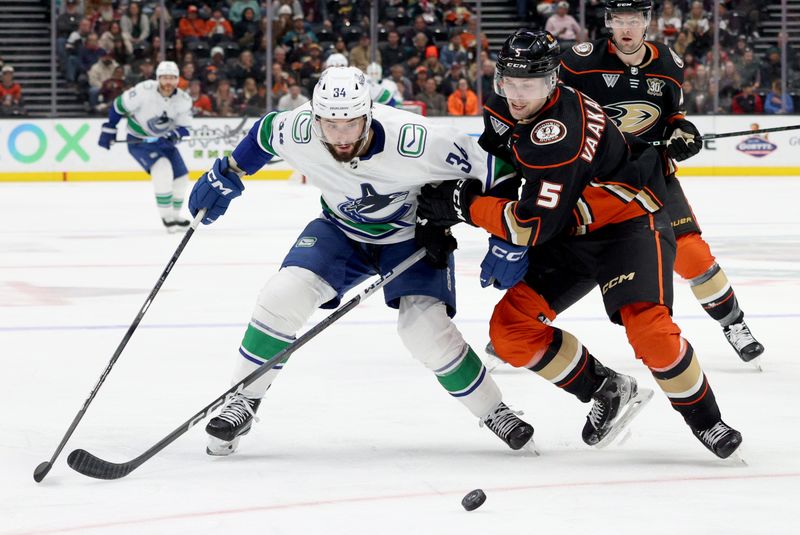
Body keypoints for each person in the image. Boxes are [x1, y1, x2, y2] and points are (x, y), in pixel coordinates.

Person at [418, 30, 743, 460]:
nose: (515, 96)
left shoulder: (558, 136)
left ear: (552, 81)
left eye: (528, 85)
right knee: (510, 332)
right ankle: (607, 388)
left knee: (650, 331)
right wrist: (449, 206)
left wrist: (466, 206)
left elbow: (528, 225)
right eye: (508, 82)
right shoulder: (506, 108)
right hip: (571, 231)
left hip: (626, 226)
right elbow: (499, 168)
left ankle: (708, 422)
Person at [187, 67, 535, 456]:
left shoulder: (417, 140)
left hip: (410, 238)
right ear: (315, 117)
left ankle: (494, 410)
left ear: (368, 114)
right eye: (329, 125)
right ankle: (244, 399)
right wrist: (229, 173)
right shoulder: (300, 129)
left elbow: (497, 171)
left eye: (350, 124)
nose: (340, 137)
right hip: (340, 232)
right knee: (282, 295)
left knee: (424, 331)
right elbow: (265, 133)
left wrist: (508, 233)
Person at [556, 0, 764, 365]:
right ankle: (525, 324)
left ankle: (734, 323)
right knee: (576, 260)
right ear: (608, 22)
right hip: (597, 181)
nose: (626, 28)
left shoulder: (668, 63)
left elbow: (672, 116)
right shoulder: (578, 62)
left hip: (652, 175)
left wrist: (682, 130)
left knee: (692, 252)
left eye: (634, 20)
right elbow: (549, 102)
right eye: (618, 20)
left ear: (647, 22)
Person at [98, 61, 193, 233]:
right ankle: (166, 217)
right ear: (158, 78)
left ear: (177, 80)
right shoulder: (143, 90)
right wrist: (110, 128)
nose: (168, 82)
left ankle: (175, 215)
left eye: (172, 78)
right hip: (140, 141)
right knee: (162, 169)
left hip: (164, 143)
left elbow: (185, 128)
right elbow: (119, 105)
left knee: (181, 177)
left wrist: (175, 135)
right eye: (164, 78)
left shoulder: (183, 100)